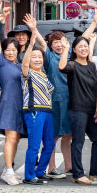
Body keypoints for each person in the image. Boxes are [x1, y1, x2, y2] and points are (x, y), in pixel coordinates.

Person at [43, 14, 97, 178]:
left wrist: (94, 23)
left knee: (68, 135)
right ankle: (51, 167)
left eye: (61, 41)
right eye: (55, 42)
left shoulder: (71, 57)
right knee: (53, 136)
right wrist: (33, 29)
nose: (59, 45)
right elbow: (40, 41)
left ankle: (69, 166)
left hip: (73, 100)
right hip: (56, 100)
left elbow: (83, 41)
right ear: (51, 46)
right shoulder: (50, 57)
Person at [0, 1, 28, 185]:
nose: (10, 52)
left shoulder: (19, 65)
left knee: (16, 138)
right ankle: (8, 171)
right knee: (11, 137)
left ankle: (7, 168)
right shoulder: (1, 63)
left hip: (21, 106)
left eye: (13, 50)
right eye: (7, 50)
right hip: (9, 104)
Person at [58, 34, 97, 185]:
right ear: (75, 50)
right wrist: (65, 50)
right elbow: (62, 67)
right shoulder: (72, 65)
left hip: (93, 110)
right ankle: (78, 174)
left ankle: (95, 171)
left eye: (85, 46)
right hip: (78, 110)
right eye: (80, 47)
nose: (84, 49)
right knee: (78, 142)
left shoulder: (91, 65)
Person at [20, 27, 56, 185]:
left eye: (39, 57)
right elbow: (25, 64)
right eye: (34, 57)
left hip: (47, 112)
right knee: (34, 145)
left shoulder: (44, 74)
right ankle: (29, 176)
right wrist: (31, 45)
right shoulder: (27, 74)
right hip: (34, 111)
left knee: (50, 144)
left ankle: (40, 172)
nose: (37, 60)